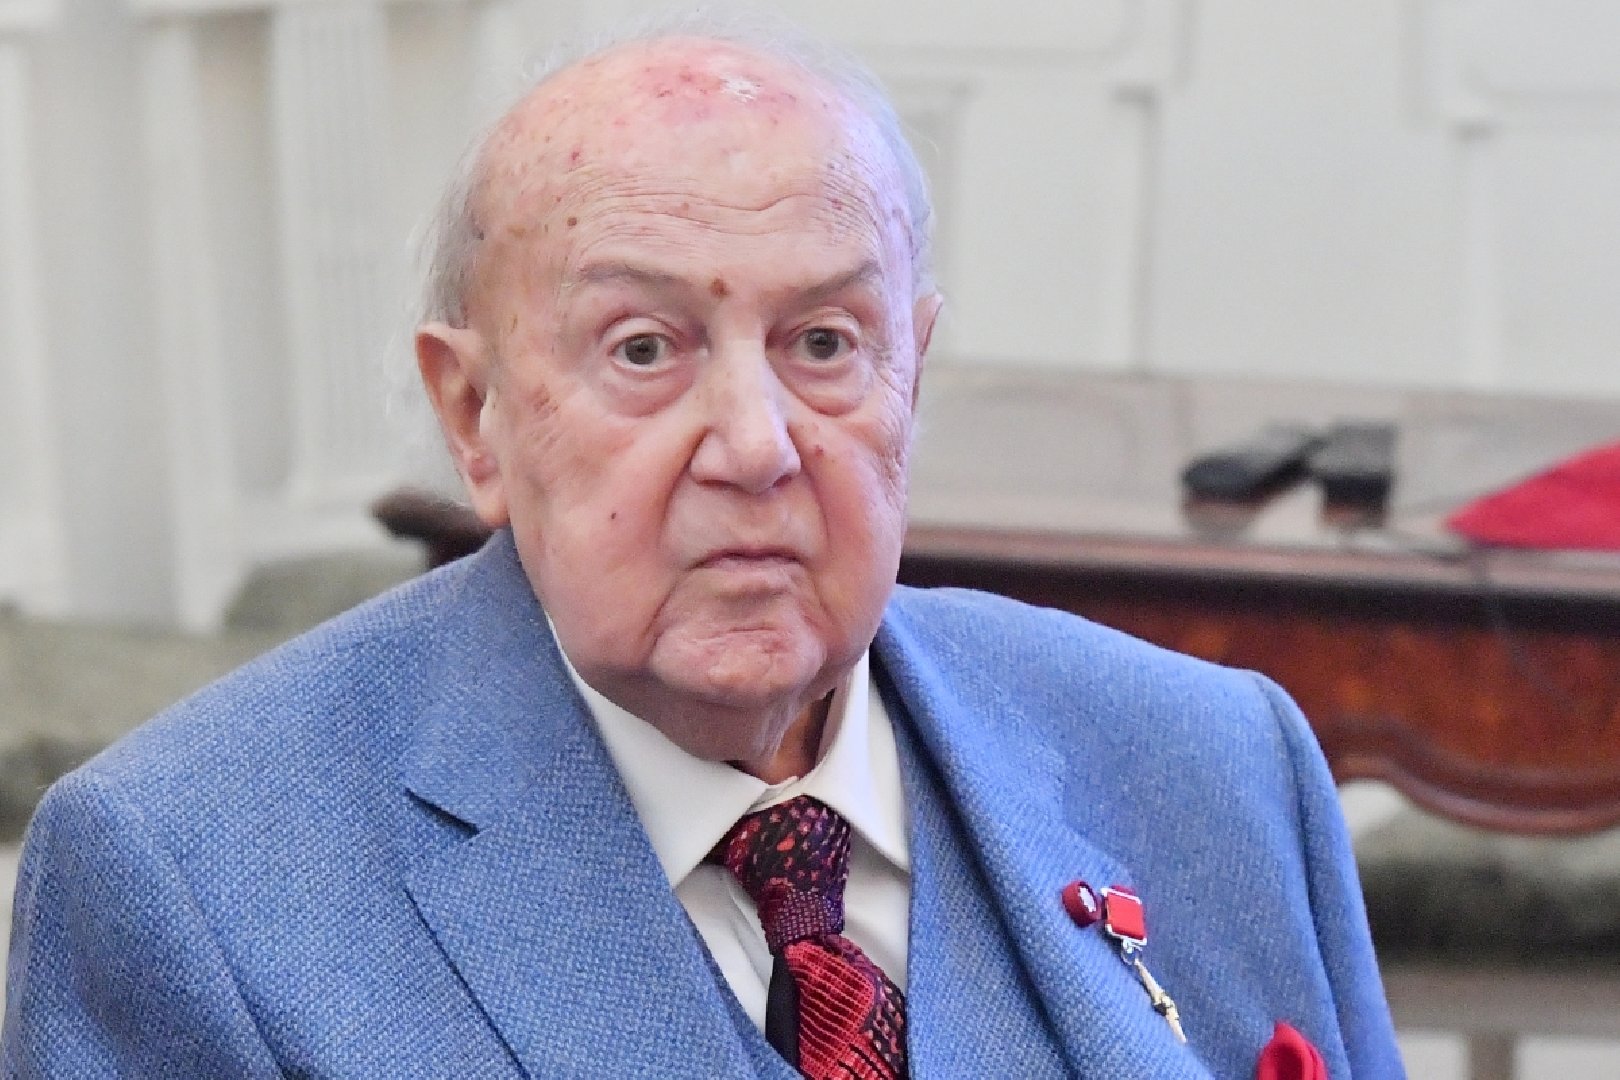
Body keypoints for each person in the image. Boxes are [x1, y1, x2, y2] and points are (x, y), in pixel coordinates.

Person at [2, 14, 1403, 1080]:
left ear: (913, 373)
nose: (755, 442)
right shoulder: (192, 882)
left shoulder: (1214, 765)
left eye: (825, 343)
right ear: (474, 414)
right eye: (644, 348)